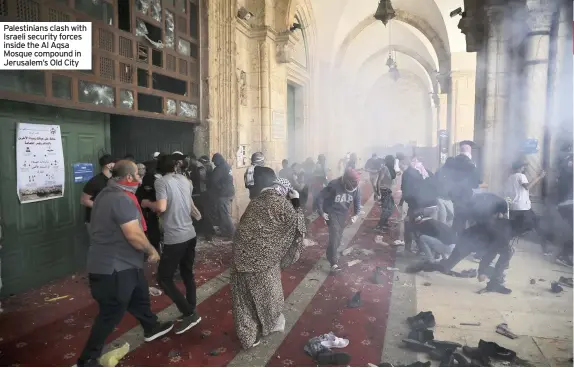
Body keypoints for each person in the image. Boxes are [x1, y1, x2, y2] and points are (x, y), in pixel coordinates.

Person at [77, 160, 172, 367]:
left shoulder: (105, 193)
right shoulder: (121, 199)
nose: (140, 178)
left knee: (139, 292)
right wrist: (151, 249)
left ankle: (151, 326)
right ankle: (87, 360)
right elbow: (133, 234)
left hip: (126, 263)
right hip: (114, 266)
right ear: (129, 177)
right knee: (111, 312)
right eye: (138, 174)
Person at [231, 177, 306, 349]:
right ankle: (269, 324)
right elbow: (299, 229)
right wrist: (296, 203)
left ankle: (247, 338)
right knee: (269, 296)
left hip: (240, 256)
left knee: (242, 300)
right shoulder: (284, 205)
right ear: (285, 192)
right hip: (263, 261)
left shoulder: (255, 202)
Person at [142, 153, 203, 334]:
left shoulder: (161, 182)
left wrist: (147, 203)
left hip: (175, 236)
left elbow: (161, 207)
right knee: (186, 272)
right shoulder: (185, 180)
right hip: (190, 233)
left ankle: (190, 312)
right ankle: (190, 307)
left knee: (163, 278)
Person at [317, 168, 362, 272]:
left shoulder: (356, 189)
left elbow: (357, 203)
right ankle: (334, 264)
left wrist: (355, 215)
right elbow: (320, 197)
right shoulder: (334, 185)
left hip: (343, 214)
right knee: (335, 236)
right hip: (332, 213)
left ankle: (330, 253)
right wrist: (322, 212)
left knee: (338, 238)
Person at [503, 159, 545, 237]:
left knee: (517, 227)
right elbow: (527, 187)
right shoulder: (521, 175)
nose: (524, 168)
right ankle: (544, 244)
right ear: (520, 167)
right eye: (523, 166)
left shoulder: (510, 178)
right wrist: (539, 177)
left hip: (513, 208)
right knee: (536, 223)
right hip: (522, 208)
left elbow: (514, 192)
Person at [81, 154, 115, 231]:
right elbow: (84, 200)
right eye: (114, 163)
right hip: (95, 221)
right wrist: (102, 207)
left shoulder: (114, 180)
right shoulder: (95, 181)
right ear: (109, 165)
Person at [209, 153, 236, 239]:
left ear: (218, 160)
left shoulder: (220, 168)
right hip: (229, 192)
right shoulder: (227, 166)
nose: (214, 164)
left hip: (224, 194)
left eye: (214, 162)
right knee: (222, 213)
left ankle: (232, 233)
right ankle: (225, 232)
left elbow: (213, 180)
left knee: (225, 214)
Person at [375, 155, 397, 231]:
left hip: (387, 190)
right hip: (384, 190)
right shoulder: (385, 168)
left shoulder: (389, 168)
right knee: (388, 209)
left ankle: (384, 223)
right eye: (393, 161)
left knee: (389, 208)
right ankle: (380, 226)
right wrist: (378, 192)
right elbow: (379, 180)